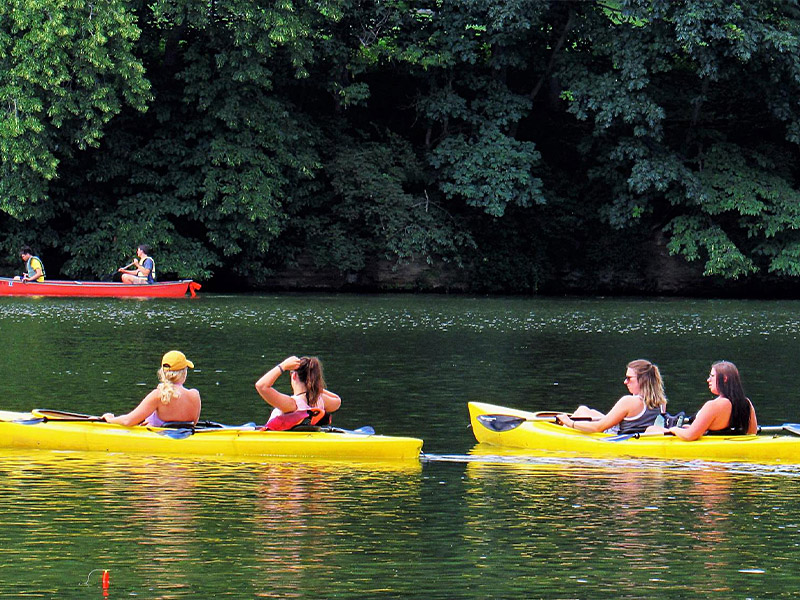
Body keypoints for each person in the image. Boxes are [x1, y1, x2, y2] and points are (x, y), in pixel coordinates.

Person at [556, 359, 667, 435]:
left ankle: (561, 434)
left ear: (642, 381)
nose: (625, 382)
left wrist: (569, 422)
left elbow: (598, 428)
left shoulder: (629, 401)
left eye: (629, 378)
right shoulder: (661, 402)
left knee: (581, 412)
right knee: (585, 410)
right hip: (633, 433)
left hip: (617, 437)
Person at [657, 361, 757, 440]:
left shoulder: (713, 405)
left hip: (710, 462)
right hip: (733, 449)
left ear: (725, 379)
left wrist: (674, 429)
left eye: (712, 376)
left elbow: (689, 436)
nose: (708, 380)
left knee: (651, 429)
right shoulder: (746, 403)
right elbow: (752, 433)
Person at [102, 351, 201, 426]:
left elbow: (127, 421)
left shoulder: (158, 395)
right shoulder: (195, 395)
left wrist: (109, 419)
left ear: (162, 372)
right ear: (184, 373)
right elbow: (193, 424)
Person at [255, 355, 341, 430]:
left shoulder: (291, 405)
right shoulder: (320, 400)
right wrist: (314, 385)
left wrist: (283, 366)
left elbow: (261, 386)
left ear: (294, 375)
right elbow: (337, 400)